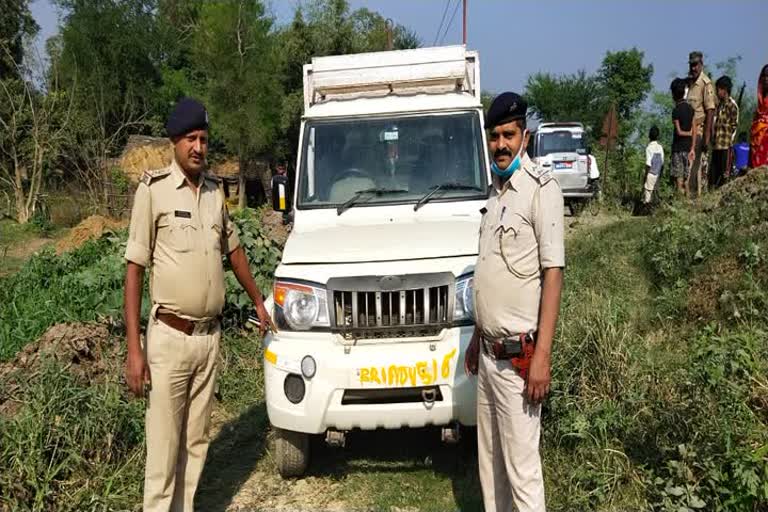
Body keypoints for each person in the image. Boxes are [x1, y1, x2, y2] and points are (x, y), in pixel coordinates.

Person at [123, 97, 276, 512]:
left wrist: (258, 301)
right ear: (174, 142)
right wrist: (134, 350)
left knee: (195, 442)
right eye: (190, 138)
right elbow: (134, 270)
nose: (198, 147)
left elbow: (235, 250)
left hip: (209, 339)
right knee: (163, 448)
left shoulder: (213, 193)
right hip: (169, 339)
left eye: (204, 139)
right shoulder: (152, 191)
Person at [464, 92, 564, 512]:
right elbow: (491, 274)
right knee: (491, 469)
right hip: (488, 356)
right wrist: (475, 336)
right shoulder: (495, 192)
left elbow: (553, 273)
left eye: (508, 135)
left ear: (524, 136)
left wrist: (543, 354)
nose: (500, 144)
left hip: (520, 361)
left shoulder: (541, 189)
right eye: (494, 136)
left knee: (522, 473)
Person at [686, 51, 716, 197]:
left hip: (698, 132)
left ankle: (696, 200)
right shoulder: (689, 83)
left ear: (701, 64)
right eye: (691, 65)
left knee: (696, 169)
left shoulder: (706, 84)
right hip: (687, 133)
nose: (693, 68)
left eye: (696, 65)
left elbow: (710, 111)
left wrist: (707, 137)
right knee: (687, 169)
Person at [711, 76, 740, 188]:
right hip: (716, 145)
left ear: (725, 89)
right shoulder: (719, 105)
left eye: (719, 89)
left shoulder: (732, 106)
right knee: (714, 176)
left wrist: (729, 143)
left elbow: (734, 126)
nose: (717, 92)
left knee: (724, 176)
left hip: (725, 146)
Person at [670, 78, 696, 196]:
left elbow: (679, 132)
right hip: (688, 148)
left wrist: (688, 133)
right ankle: (688, 207)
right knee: (687, 182)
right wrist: (693, 148)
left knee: (678, 181)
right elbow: (694, 130)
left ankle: (679, 206)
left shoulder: (676, 111)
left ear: (674, 94)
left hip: (678, 149)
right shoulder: (691, 109)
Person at [749, 64, 768, 168]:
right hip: (756, 141)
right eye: (764, 76)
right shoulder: (760, 103)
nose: (766, 79)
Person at [643, 125, 665, 204]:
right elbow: (662, 163)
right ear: (658, 136)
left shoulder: (649, 148)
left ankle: (647, 208)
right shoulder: (660, 147)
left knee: (648, 193)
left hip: (650, 173)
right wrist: (661, 174)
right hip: (658, 173)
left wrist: (645, 175)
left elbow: (648, 164)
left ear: (649, 136)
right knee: (656, 193)